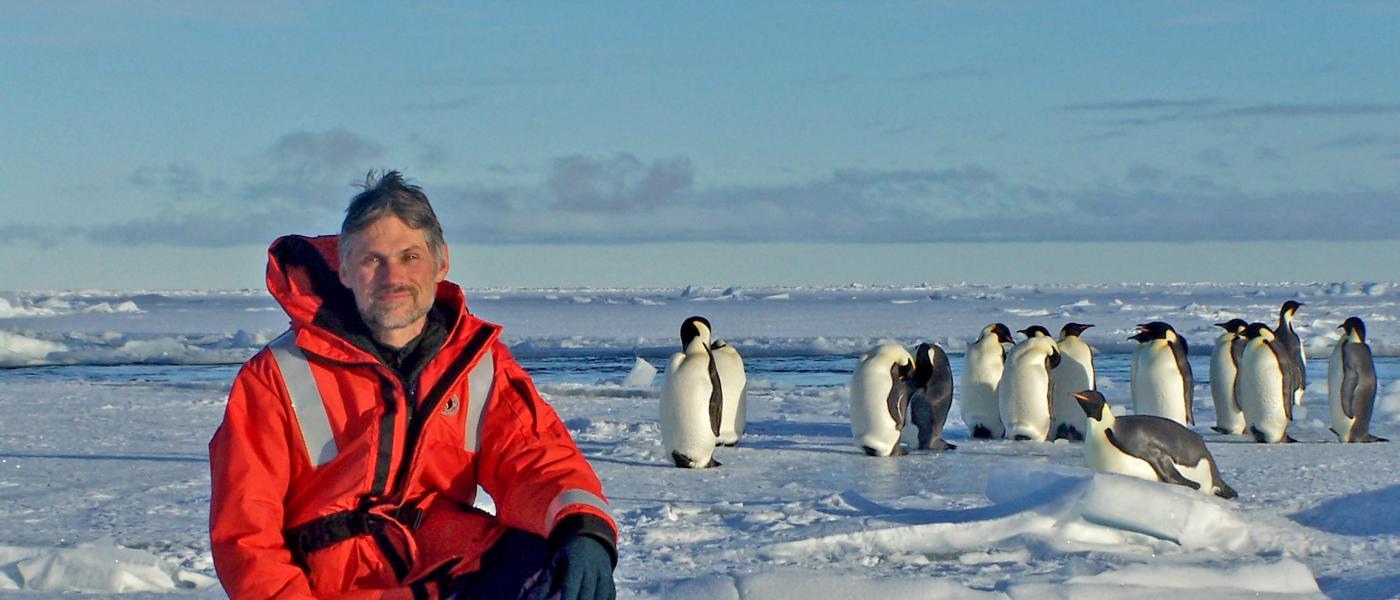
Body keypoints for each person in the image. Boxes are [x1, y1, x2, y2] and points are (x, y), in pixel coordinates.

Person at [209, 171, 617, 600]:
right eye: (372, 260)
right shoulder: (277, 375)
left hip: (448, 566)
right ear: (345, 269)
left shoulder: (477, 364)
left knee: (556, 573)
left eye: (409, 257)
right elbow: (246, 534)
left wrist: (582, 527)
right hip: (332, 585)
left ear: (441, 263)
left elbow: (537, 458)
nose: (392, 278)